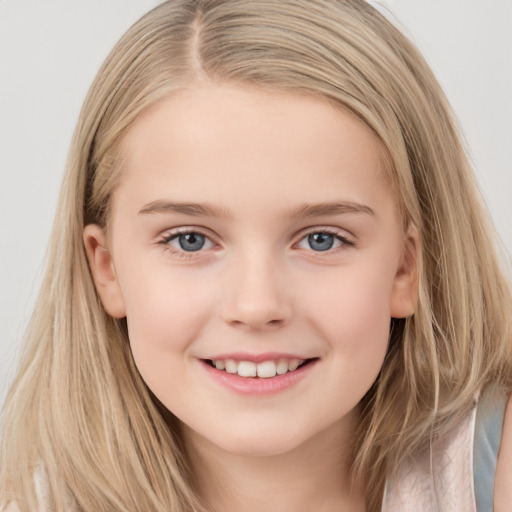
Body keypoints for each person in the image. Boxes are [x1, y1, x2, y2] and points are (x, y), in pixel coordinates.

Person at [1, 1, 511, 511]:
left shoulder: (491, 469)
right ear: (106, 268)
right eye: (190, 240)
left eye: (321, 239)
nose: (256, 305)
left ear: (405, 267)